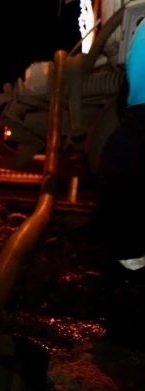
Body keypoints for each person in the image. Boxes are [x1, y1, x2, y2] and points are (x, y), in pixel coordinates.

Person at [94, 20, 145, 276]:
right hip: (138, 109)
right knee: (118, 169)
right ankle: (130, 253)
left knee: (119, 167)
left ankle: (130, 253)